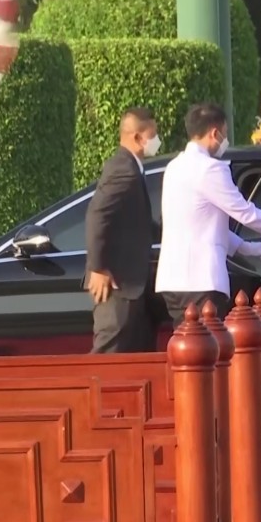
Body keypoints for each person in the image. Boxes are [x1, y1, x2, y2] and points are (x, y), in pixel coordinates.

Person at [156, 103, 261, 323]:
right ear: (215, 133)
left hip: (173, 280)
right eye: (225, 134)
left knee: (186, 341)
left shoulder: (174, 167)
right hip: (201, 281)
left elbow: (200, 223)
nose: (225, 141)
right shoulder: (210, 168)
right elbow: (244, 213)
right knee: (207, 343)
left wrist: (245, 247)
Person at [84, 107, 161, 353]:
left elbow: (139, 223)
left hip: (133, 286)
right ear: (138, 137)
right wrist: (98, 267)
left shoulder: (133, 167)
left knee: (133, 360)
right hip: (116, 284)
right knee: (109, 357)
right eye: (153, 135)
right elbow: (97, 215)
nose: (157, 141)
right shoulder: (123, 168)